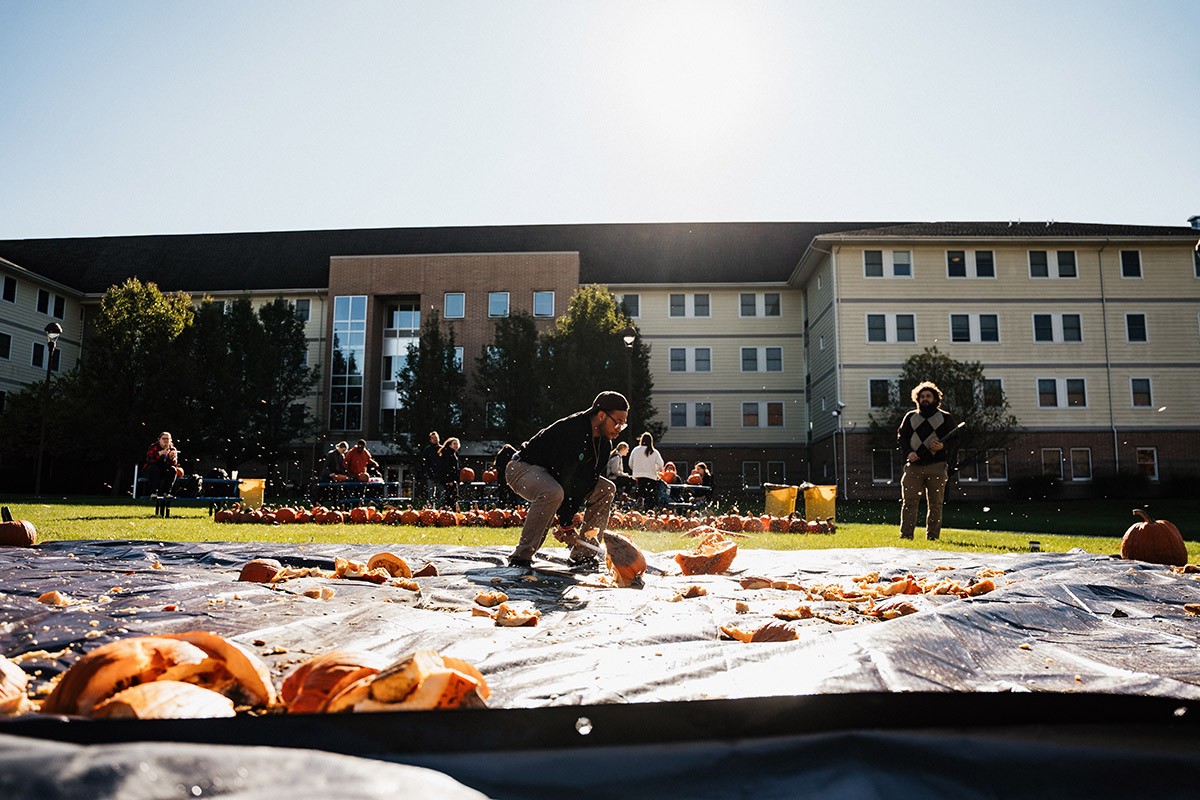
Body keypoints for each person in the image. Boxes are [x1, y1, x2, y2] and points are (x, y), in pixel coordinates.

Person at [505, 391, 628, 570]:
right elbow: (563, 477)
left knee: (606, 488)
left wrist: (567, 524)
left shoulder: (604, 445)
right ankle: (521, 557)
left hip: (554, 477)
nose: (619, 430)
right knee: (553, 492)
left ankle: (583, 555)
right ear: (601, 415)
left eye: (623, 425)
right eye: (617, 423)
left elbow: (586, 483)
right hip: (523, 468)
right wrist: (566, 524)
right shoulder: (572, 429)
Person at [897, 381, 957, 541]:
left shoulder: (945, 417)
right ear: (917, 399)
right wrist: (909, 452)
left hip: (937, 466)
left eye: (929, 396)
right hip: (913, 467)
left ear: (936, 399)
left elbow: (956, 440)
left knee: (935, 504)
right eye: (922, 396)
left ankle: (932, 538)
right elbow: (902, 437)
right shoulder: (910, 417)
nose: (925, 399)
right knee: (909, 502)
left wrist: (942, 446)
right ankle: (906, 536)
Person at [628, 431, 666, 510]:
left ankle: (639, 503)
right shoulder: (654, 452)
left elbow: (630, 463)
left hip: (638, 475)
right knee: (650, 494)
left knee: (640, 489)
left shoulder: (636, 450)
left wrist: (636, 469)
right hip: (651, 476)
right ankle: (649, 509)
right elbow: (661, 465)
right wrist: (655, 470)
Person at [144, 431, 180, 498]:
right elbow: (149, 459)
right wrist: (159, 454)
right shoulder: (153, 446)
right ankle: (153, 492)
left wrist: (170, 458)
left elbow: (174, 463)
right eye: (163, 438)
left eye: (167, 439)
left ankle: (167, 492)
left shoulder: (172, 449)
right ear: (159, 439)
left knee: (173, 469)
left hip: (164, 470)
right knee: (153, 468)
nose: (165, 440)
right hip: (153, 470)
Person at [438, 437, 462, 510]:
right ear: (450, 445)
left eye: (457, 444)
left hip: (452, 479)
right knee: (449, 497)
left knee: (452, 497)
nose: (456, 445)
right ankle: (448, 513)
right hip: (448, 480)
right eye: (454, 444)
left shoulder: (454, 453)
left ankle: (451, 512)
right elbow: (447, 468)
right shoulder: (448, 453)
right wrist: (449, 480)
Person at [421, 431, 443, 507]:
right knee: (431, 495)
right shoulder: (427, 450)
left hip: (441, 476)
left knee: (443, 493)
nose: (435, 439)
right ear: (430, 440)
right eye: (433, 438)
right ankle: (431, 510)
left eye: (436, 438)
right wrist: (428, 472)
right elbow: (425, 462)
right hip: (430, 475)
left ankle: (442, 509)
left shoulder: (442, 449)